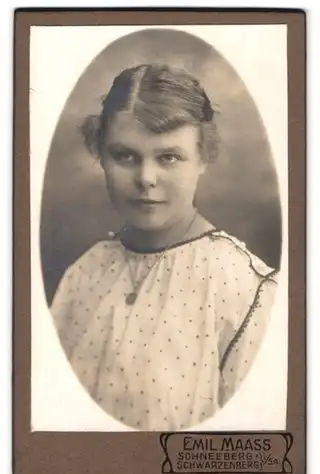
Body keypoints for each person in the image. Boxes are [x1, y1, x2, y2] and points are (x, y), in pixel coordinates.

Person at [50, 63, 279, 431]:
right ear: (101, 155)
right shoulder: (84, 273)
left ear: (204, 156)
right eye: (125, 155)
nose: (146, 178)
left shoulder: (245, 292)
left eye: (169, 157)